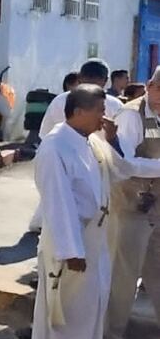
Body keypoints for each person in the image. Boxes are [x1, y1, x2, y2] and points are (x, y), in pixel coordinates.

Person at [31, 85, 160, 339]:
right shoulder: (55, 147)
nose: (105, 117)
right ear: (78, 112)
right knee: (75, 304)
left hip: (95, 234)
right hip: (73, 238)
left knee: (91, 302)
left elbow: (123, 169)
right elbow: (57, 203)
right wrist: (70, 250)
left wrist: (113, 140)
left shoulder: (93, 141)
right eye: (100, 110)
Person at [102, 67, 160, 339]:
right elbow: (123, 163)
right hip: (131, 204)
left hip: (155, 207)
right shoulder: (130, 116)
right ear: (150, 85)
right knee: (123, 277)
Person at [30, 59, 123, 232]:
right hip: (85, 164)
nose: (101, 116)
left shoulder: (62, 101)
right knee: (69, 211)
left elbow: (45, 133)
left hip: (97, 163)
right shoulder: (114, 105)